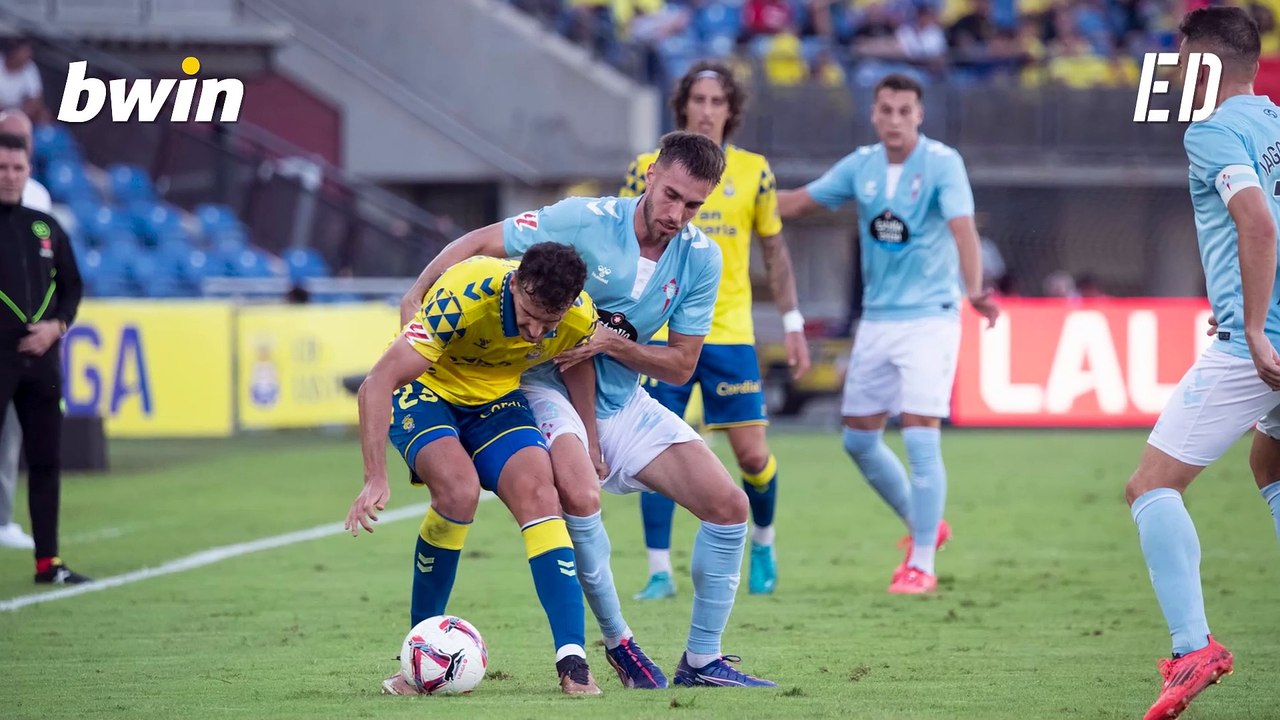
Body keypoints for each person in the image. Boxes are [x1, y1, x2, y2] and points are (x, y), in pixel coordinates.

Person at [402, 131, 776, 688]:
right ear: (651, 174)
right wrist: (415, 295)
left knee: (728, 506)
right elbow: (479, 242)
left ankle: (703, 661)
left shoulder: (701, 259)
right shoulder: (584, 219)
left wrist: (613, 345)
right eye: (671, 195)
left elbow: (679, 366)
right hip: (543, 386)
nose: (678, 213)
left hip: (625, 401)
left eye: (694, 204)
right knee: (580, 490)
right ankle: (619, 641)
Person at [345, 242, 604, 696]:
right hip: (427, 391)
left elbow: (576, 361)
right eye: (529, 314)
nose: (536, 331)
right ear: (517, 284)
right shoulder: (466, 293)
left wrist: (590, 437)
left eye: (550, 322)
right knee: (458, 492)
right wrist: (375, 477)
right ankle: (417, 656)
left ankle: (574, 662)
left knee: (543, 496)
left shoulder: (579, 315)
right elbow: (377, 383)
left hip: (497, 401)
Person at [777, 73, 999, 594]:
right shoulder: (862, 165)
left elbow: (963, 228)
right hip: (877, 318)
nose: (895, 119)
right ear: (874, 115)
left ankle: (921, 562)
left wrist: (974, 289)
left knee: (921, 434)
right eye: (886, 110)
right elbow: (799, 202)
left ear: (919, 115)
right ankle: (927, 524)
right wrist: (734, 197)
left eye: (905, 110)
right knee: (858, 438)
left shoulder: (943, 163)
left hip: (930, 317)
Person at [1121, 8, 1280, 718]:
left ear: (1207, 64)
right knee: (1270, 467)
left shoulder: (1212, 132)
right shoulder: (1274, 123)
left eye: (1182, 60)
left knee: (1151, 485)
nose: (1177, 72)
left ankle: (1193, 649)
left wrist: (1251, 323)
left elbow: (1258, 219)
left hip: (1262, 345)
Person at [620, 60, 809, 600]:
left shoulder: (754, 171)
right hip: (658, 330)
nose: (706, 110)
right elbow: (621, 240)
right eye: (697, 100)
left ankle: (765, 543)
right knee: (653, 451)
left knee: (751, 455)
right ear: (683, 106)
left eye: (716, 101)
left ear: (731, 111)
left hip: (728, 333)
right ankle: (660, 570)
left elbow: (774, 251)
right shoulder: (646, 169)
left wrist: (793, 323)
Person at [0, 132, 88, 584]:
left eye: (18, 168)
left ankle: (47, 562)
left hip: (42, 362)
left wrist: (56, 326)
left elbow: (72, 285)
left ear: (28, 171)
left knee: (46, 460)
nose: (10, 176)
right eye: (2, 168)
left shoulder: (45, 226)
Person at [0, 109, 51, 551]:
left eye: (25, 137)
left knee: (13, 426)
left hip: (20, 327)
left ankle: (2, 518)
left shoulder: (37, 195)